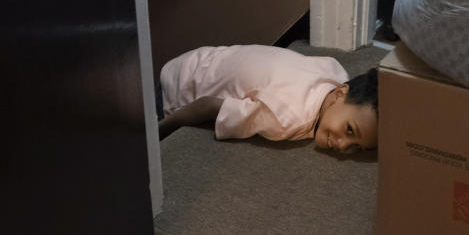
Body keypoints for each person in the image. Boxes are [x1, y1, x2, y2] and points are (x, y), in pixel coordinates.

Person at [158, 45, 378, 154]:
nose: (344, 146)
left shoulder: (335, 71)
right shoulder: (287, 118)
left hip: (203, 55)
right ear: (340, 94)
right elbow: (206, 105)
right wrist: (159, 133)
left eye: (357, 147)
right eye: (350, 130)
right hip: (177, 87)